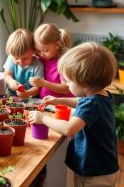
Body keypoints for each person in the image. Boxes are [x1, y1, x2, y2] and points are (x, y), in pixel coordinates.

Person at [29, 42, 119, 187]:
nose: (67, 86)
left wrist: (43, 118)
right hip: (99, 166)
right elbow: (81, 101)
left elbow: (69, 129)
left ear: (84, 85)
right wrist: (59, 100)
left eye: (69, 81)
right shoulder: (101, 96)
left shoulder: (92, 104)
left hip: (96, 172)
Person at [29, 23, 72, 98]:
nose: (41, 54)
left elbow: (66, 89)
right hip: (45, 102)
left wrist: (43, 83)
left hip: (62, 104)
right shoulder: (40, 57)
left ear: (57, 45)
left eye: (45, 50)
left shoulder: (63, 62)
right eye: (38, 50)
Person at [4, 28, 44, 98]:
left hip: (32, 98)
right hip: (12, 96)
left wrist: (27, 93)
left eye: (25, 58)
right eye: (16, 58)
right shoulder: (11, 58)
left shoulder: (38, 65)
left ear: (33, 51)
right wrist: (11, 82)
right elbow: (6, 75)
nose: (20, 62)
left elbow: (38, 88)